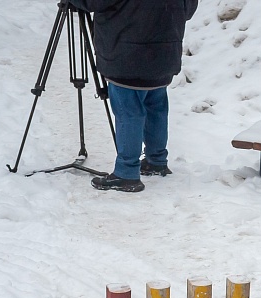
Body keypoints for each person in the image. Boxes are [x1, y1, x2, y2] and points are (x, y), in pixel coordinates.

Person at [67, 0, 198, 192]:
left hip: (127, 56)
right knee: (156, 108)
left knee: (129, 112)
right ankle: (157, 161)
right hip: (164, 54)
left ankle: (126, 173)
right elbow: (188, 10)